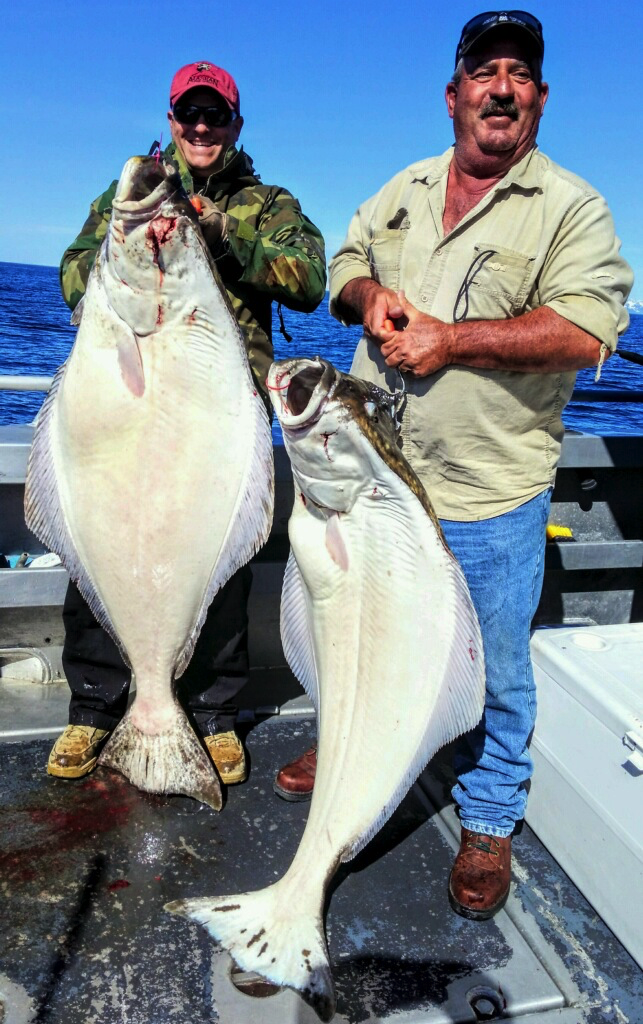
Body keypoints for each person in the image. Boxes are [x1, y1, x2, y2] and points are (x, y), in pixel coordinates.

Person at [274, 11, 633, 920]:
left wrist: (452, 341)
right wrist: (369, 295)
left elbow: (586, 328)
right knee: (343, 635)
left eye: (519, 74)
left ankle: (487, 818)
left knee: (494, 668)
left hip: (486, 492)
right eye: (484, 72)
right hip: (370, 479)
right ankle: (348, 738)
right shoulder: (404, 184)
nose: (500, 88)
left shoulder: (573, 207)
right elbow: (344, 261)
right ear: (454, 94)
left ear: (539, 99)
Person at [48, 60, 326, 787]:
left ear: (234, 123)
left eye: (215, 116)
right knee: (100, 548)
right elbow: (73, 272)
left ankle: (212, 717)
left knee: (222, 563)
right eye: (188, 114)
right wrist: (120, 250)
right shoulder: (125, 193)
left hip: (217, 414)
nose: (200, 127)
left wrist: (219, 230)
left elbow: (309, 281)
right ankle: (96, 706)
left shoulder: (267, 203)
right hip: (126, 408)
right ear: (172, 119)